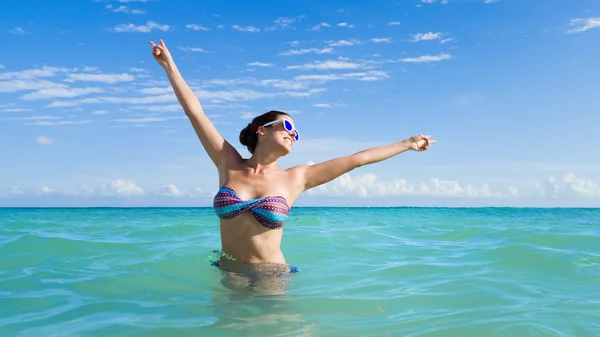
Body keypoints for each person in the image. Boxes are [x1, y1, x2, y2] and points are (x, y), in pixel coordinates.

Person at [149, 39, 436, 294]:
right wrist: (169, 66)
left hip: (271, 276)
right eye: (287, 126)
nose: (292, 134)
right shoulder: (228, 163)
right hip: (228, 271)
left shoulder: (297, 177)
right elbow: (195, 112)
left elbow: (356, 159)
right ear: (262, 130)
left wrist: (406, 143)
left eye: (296, 133)